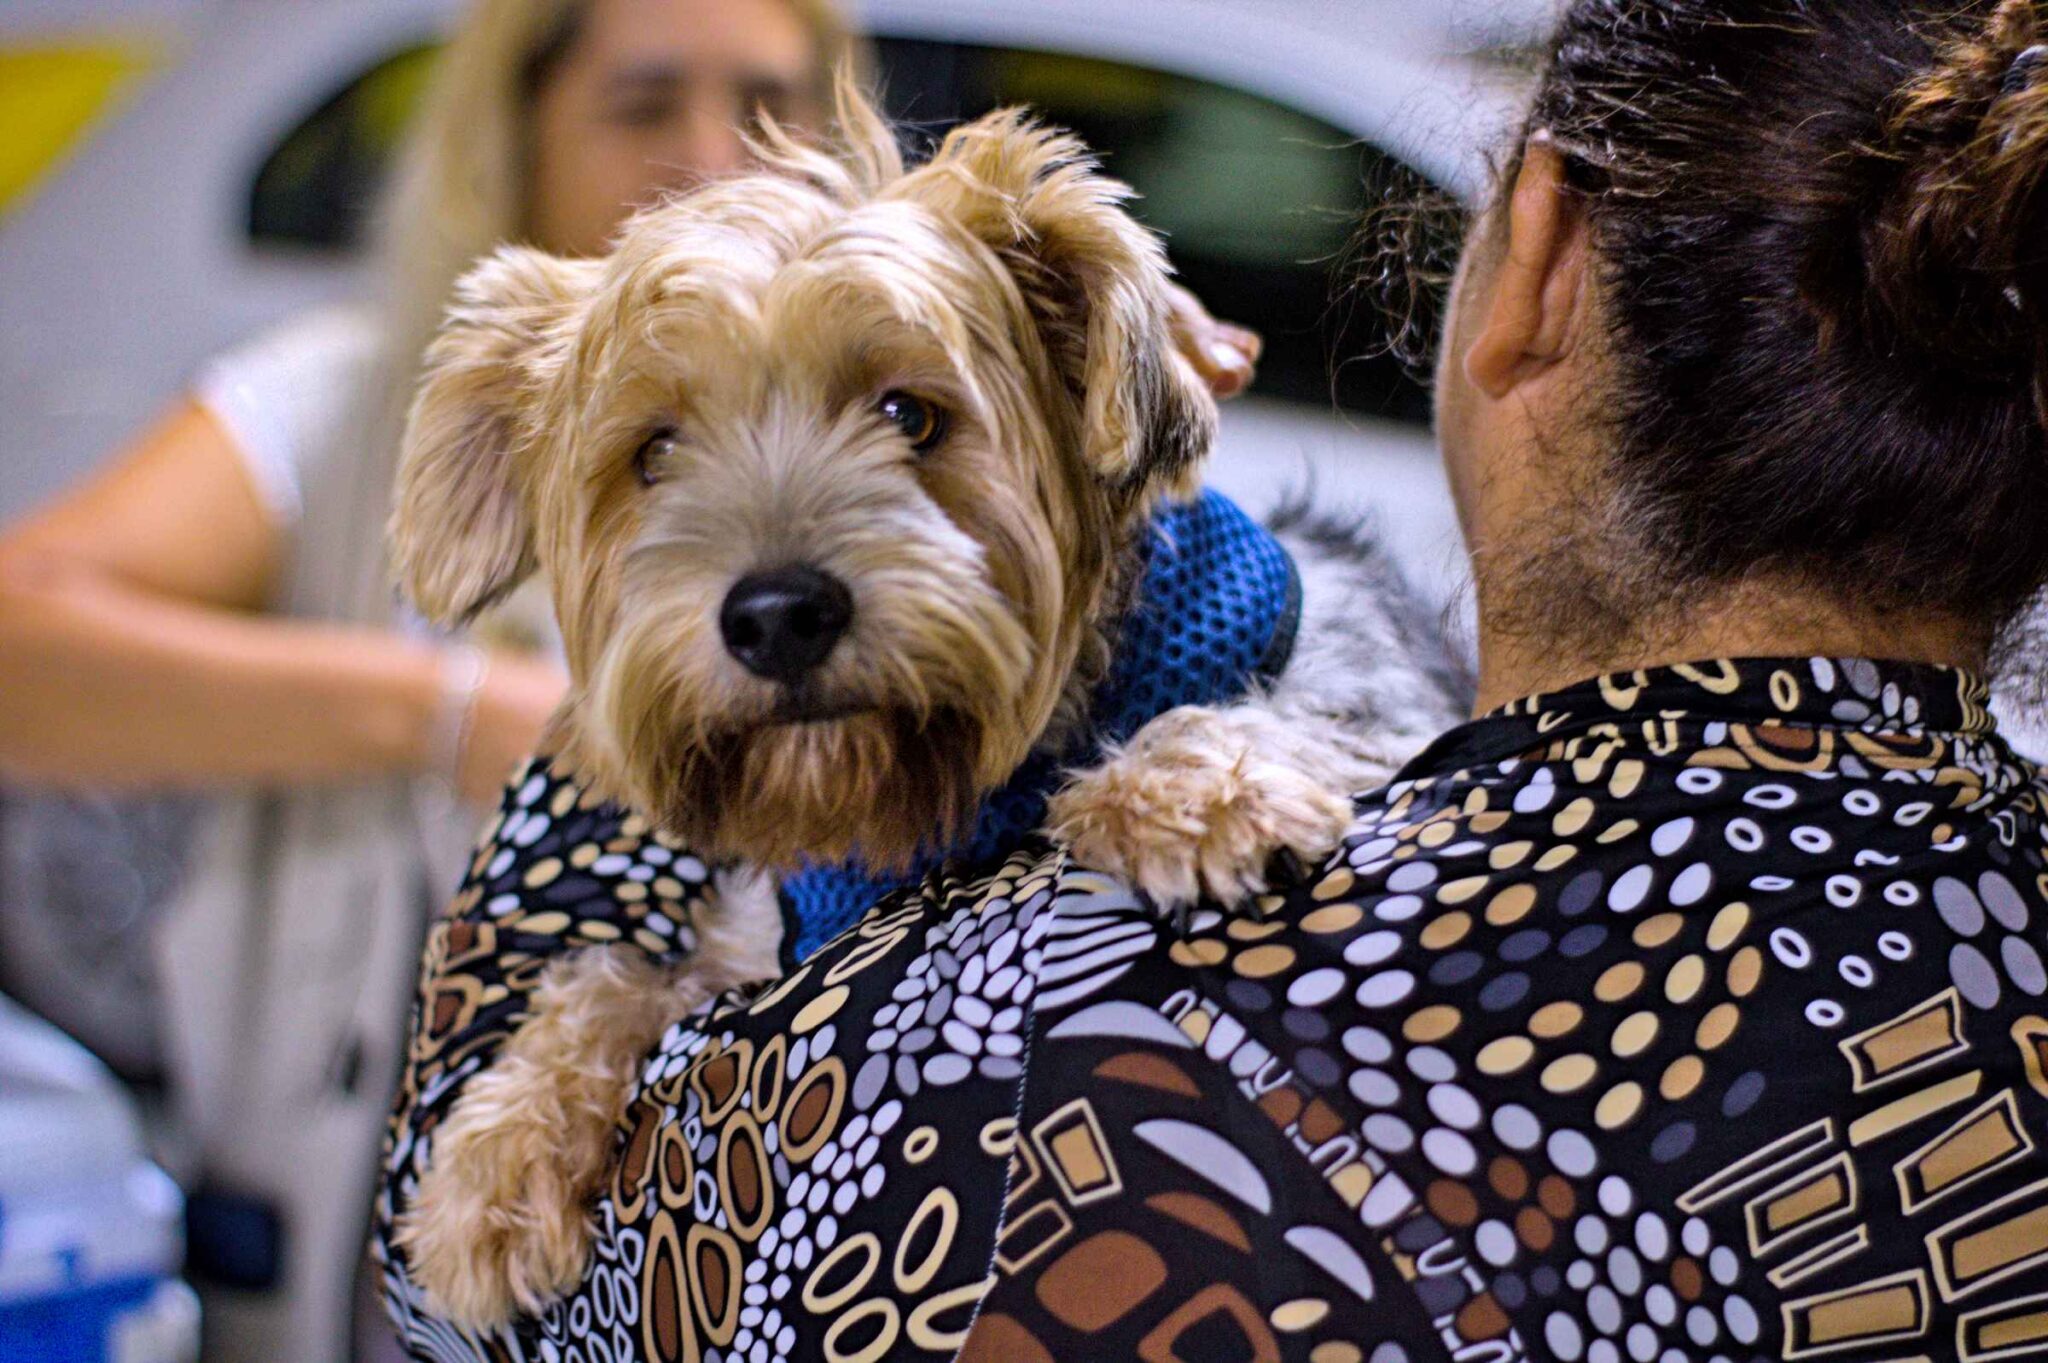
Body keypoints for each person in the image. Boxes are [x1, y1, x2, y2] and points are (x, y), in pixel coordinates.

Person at [374, 0, 2048, 1357]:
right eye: (659, 450)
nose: (772, 556)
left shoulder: (992, 1088)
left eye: (908, 417)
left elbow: (487, 1314)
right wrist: (598, 1021)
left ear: (1534, 254)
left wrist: (562, 815)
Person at [0, 2, 867, 1359]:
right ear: (515, 139)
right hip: (364, 1259)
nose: (717, 158)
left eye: (768, 103)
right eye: (644, 106)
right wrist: (437, 711)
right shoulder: (346, 401)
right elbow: (19, 642)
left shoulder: (902, 439)